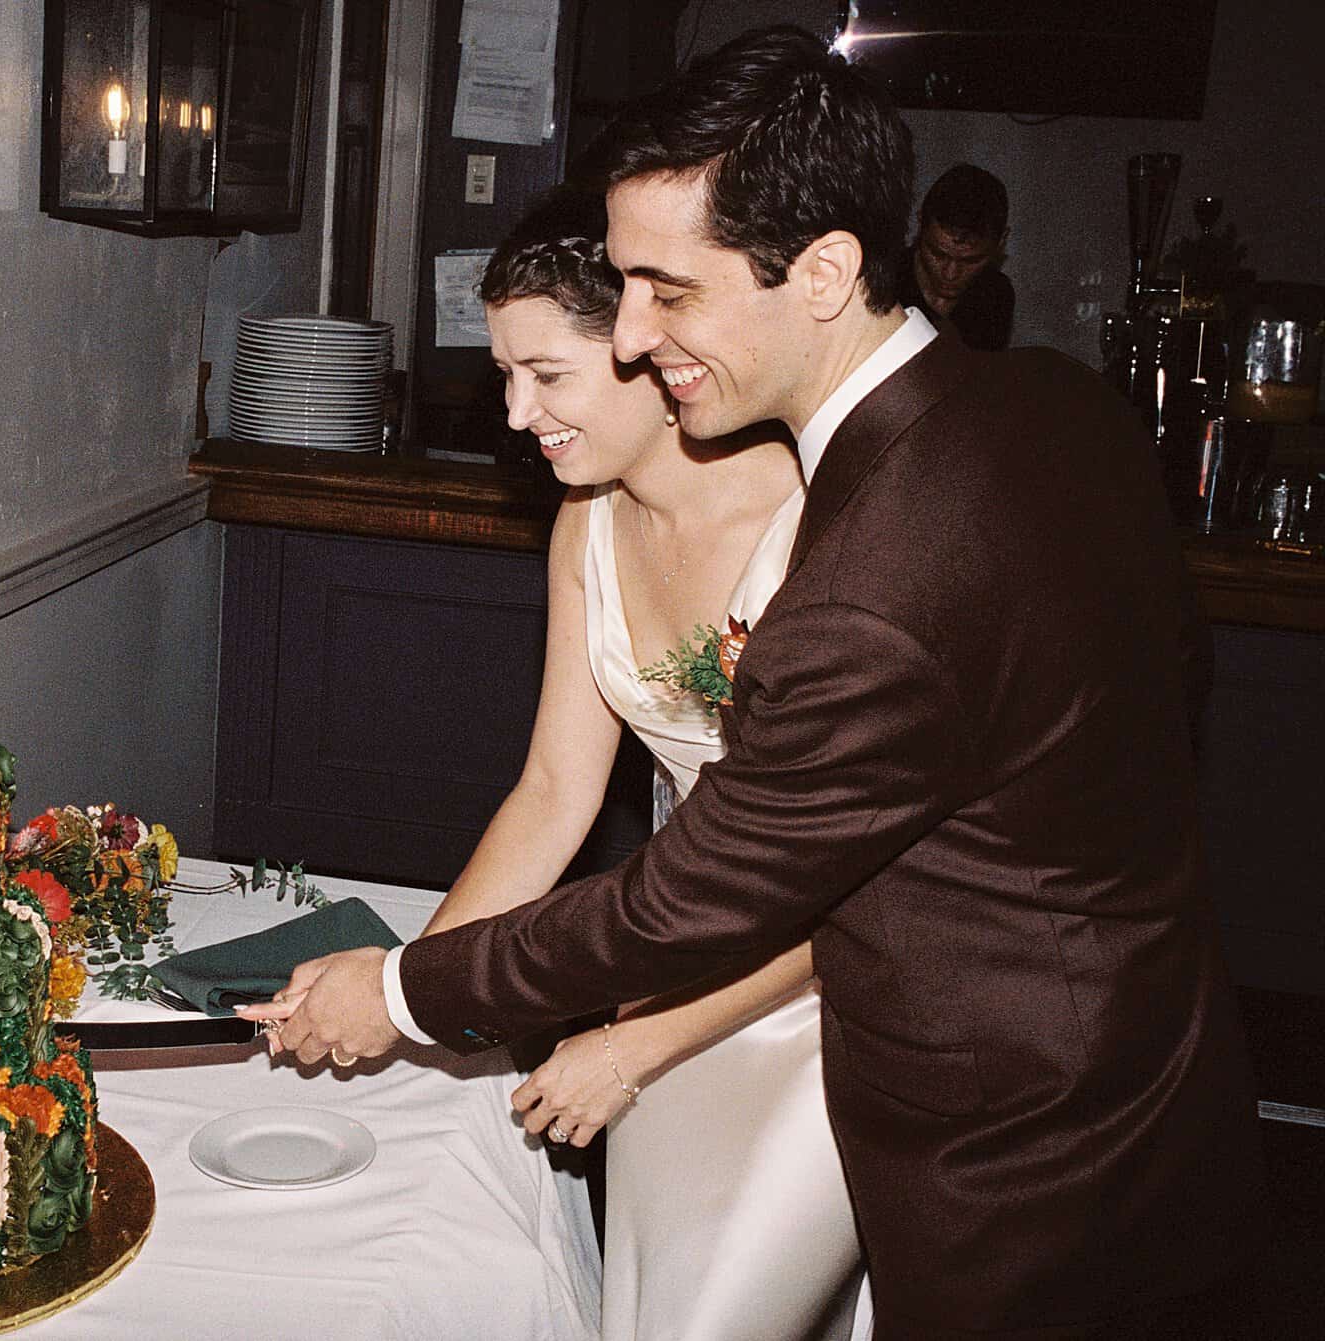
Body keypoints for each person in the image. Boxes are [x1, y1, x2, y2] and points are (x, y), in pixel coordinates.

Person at [244, 26, 1263, 1340]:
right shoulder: (1057, 407)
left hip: (1013, 1164)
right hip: (1157, 1082)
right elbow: (1177, 686)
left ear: (827, 272)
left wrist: (395, 992)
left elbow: (685, 904)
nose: (631, 333)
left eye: (669, 290)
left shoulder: (863, 587)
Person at [418, 186, 861, 1340]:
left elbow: (862, 871)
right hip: (668, 963)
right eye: (503, 376)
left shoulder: (828, 527)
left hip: (831, 997)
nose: (515, 415)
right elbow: (554, 793)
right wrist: (420, 994)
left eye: (545, 376)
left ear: (642, 352)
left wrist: (634, 1045)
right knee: (650, 1305)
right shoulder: (587, 526)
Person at [901, 163, 1014, 351]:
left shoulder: (995, 296)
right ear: (921, 225)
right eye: (937, 254)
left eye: (971, 261)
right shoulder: (883, 281)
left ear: (1001, 241)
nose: (950, 274)